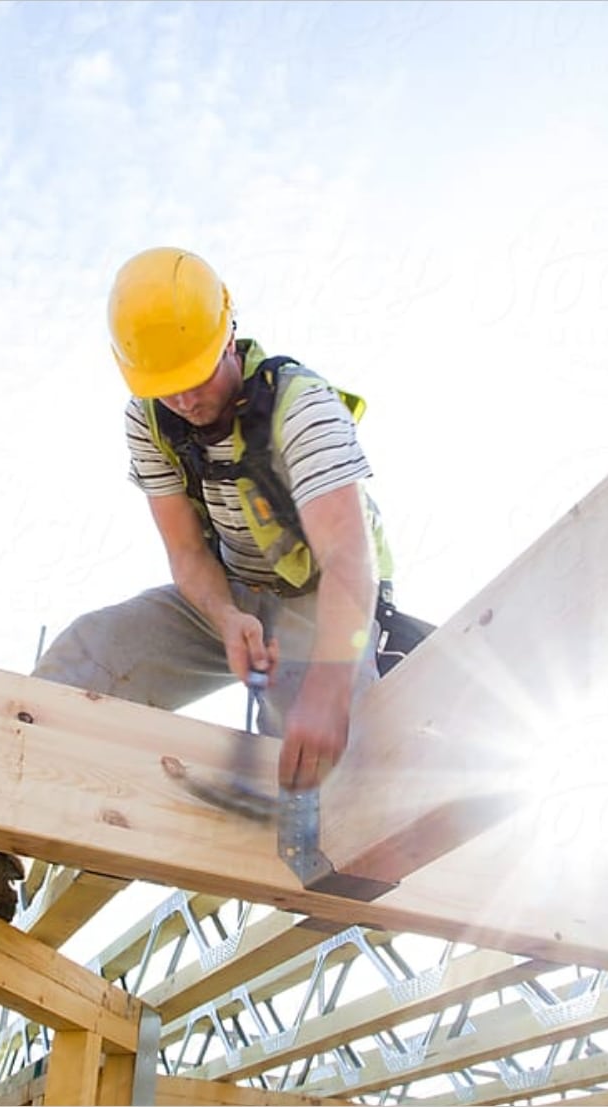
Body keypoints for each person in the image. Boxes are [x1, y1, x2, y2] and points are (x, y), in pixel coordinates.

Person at [33, 246, 390, 794]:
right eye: (163, 385)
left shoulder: (302, 408)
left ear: (227, 335)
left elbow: (349, 559)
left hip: (328, 598)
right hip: (232, 588)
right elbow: (187, 552)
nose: (183, 398)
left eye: (195, 376)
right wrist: (224, 616)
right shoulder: (150, 419)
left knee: (308, 756)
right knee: (85, 657)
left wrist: (329, 686)